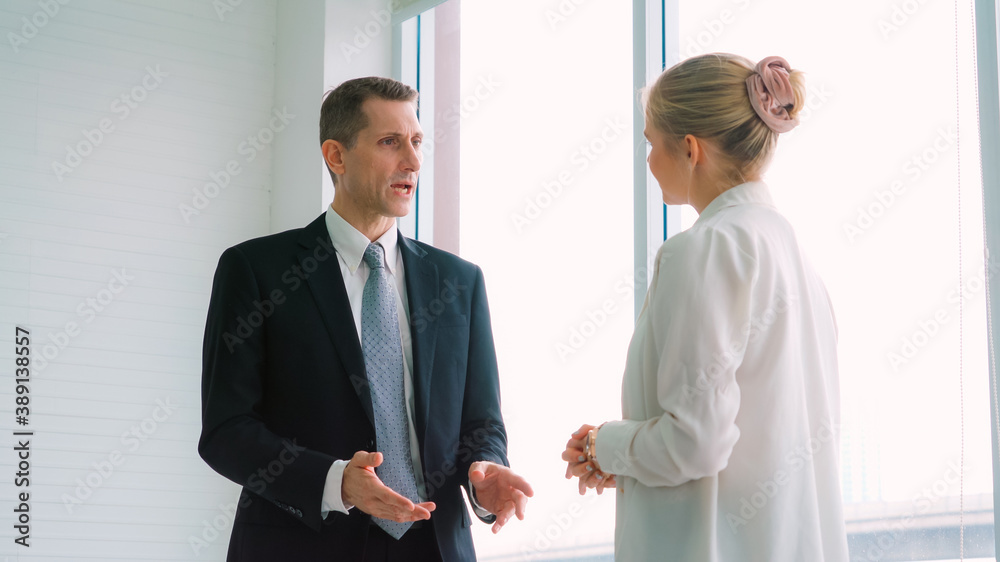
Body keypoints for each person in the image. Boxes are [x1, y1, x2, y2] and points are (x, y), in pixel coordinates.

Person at [199, 76, 532, 562]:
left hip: (434, 544)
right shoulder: (255, 270)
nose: (413, 161)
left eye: (416, 142)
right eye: (389, 142)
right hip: (301, 544)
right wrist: (338, 482)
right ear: (336, 156)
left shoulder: (458, 281)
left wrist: (486, 472)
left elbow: (481, 421)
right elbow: (227, 431)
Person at [561, 54, 849, 561]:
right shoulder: (796, 257)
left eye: (651, 143)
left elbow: (694, 443)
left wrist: (602, 445)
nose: (648, 161)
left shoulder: (705, 249)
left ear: (690, 149)